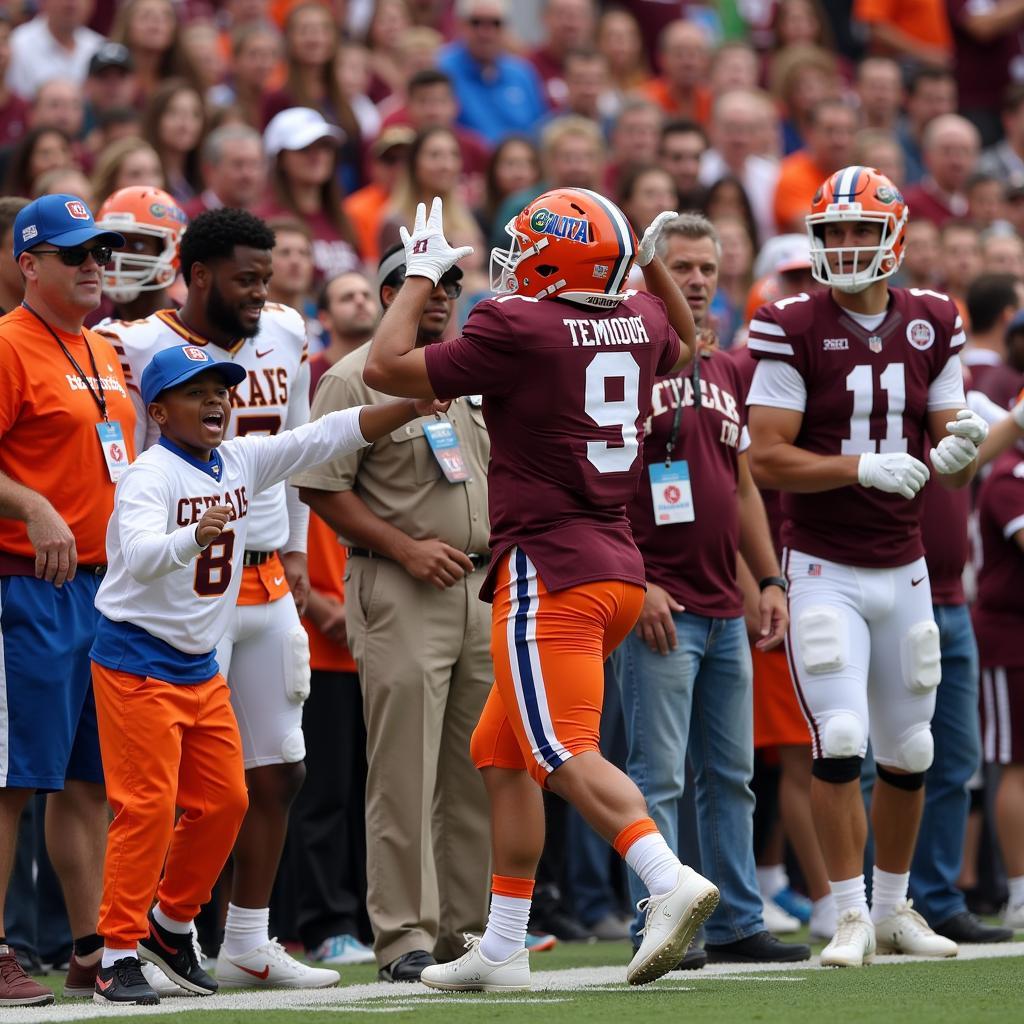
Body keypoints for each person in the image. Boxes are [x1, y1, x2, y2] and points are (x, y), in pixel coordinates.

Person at [362, 190, 716, 991]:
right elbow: (686, 338)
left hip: (546, 570)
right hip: (617, 569)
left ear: (562, 260)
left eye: (528, 249)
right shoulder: (644, 316)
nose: (512, 264)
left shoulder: (519, 326)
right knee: (500, 755)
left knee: (559, 750)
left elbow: (386, 365)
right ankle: (503, 945)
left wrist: (420, 276)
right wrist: (647, 256)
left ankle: (667, 878)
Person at [87, 341, 445, 1005]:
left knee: (226, 802)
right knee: (146, 808)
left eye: (221, 387)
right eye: (197, 391)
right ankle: (114, 952)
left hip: (197, 661)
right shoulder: (150, 474)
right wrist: (195, 537)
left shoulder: (241, 458)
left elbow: (325, 434)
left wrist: (406, 407)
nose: (216, 399)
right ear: (159, 411)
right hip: (137, 656)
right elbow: (135, 558)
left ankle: (169, 925)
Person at [746, 165, 986, 967]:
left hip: (906, 565)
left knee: (912, 747)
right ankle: (844, 912)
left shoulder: (934, 319)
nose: (846, 246)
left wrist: (960, 444)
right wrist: (859, 467)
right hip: (823, 564)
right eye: (833, 232)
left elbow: (950, 453)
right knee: (841, 734)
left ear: (894, 237)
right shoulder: (788, 322)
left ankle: (892, 909)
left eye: (859, 230)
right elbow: (766, 457)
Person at [102, 208, 334, 990]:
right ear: (198, 276)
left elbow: (301, 440)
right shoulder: (134, 344)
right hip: (179, 593)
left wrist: (299, 548)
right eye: (245, 278)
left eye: (265, 278)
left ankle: (241, 938)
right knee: (156, 792)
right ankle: (123, 943)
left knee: (269, 774)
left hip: (262, 568)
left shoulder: (287, 331)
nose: (261, 293)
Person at [612, 213, 811, 967]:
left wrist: (767, 578)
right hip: (657, 602)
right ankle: (652, 922)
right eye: (681, 267)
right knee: (655, 776)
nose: (694, 281)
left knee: (732, 775)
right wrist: (638, 581)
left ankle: (733, 921)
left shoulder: (727, 369)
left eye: (706, 269)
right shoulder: (627, 363)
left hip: (726, 605)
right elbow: (598, 486)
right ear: (649, 277)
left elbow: (746, 490)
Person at [295, 245, 492, 983]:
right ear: (389, 294)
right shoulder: (351, 378)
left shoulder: (471, 372)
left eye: (449, 283)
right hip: (402, 584)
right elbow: (320, 485)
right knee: (404, 770)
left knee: (479, 766)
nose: (438, 297)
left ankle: (466, 932)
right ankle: (404, 934)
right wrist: (404, 549)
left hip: (478, 585)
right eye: (421, 284)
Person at [0, 193, 135, 1006]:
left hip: (99, 588)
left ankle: (93, 951)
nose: (94, 265)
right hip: (27, 586)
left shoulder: (99, 348)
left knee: (89, 782)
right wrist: (28, 503)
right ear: (29, 263)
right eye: (76, 253)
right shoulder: (9, 345)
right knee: (13, 780)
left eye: (101, 252)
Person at [288, 271, 379, 966]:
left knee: (366, 789)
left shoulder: (388, 396)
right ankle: (322, 921)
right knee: (321, 792)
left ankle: (367, 913)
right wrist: (319, 603)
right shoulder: (313, 392)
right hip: (318, 634)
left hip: (371, 630)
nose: (359, 303)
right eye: (343, 293)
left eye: (365, 293)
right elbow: (297, 505)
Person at [437, 0, 548, 146]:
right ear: (460, 25)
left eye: (495, 23)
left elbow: (539, 131)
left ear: (506, 28)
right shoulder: (441, 69)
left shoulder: (522, 74)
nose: (485, 32)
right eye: (476, 23)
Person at [93, 186, 187, 323]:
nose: (120, 258)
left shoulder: (196, 334)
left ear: (173, 253)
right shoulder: (89, 323)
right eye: (112, 246)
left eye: (138, 246)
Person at [183, 124, 267, 220]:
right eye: (238, 164)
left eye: (254, 164)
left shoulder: (270, 220)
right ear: (210, 171)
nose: (247, 174)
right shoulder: (186, 219)